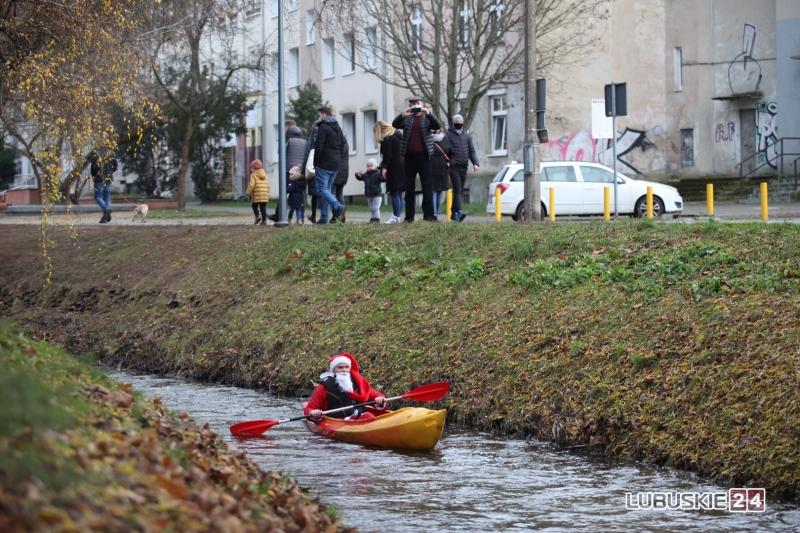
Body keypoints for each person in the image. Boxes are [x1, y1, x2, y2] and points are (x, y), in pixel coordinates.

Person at [391, 96, 441, 223]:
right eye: (412, 104)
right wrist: (402, 115)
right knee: (409, 189)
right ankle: (409, 217)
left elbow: (437, 126)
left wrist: (428, 114)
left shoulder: (426, 118)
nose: (415, 106)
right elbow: (394, 125)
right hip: (409, 157)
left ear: (422, 104)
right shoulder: (407, 119)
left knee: (427, 188)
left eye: (417, 103)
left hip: (424, 157)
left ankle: (429, 216)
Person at [304, 353, 387, 421]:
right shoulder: (323, 388)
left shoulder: (359, 383)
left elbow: (375, 395)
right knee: (368, 417)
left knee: (368, 416)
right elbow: (310, 408)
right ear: (333, 370)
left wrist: (379, 399)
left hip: (361, 416)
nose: (344, 370)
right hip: (337, 420)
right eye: (340, 367)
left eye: (347, 367)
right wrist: (314, 412)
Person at [267, 120, 308, 223]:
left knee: (283, 192)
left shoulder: (287, 137)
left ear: (287, 126)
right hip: (301, 170)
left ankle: (278, 215)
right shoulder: (304, 139)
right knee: (300, 193)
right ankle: (300, 218)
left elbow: (280, 152)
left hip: (288, 170)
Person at [313, 106, 347, 224]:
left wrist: (315, 163)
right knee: (327, 191)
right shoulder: (338, 127)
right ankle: (323, 218)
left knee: (322, 189)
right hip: (335, 164)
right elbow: (342, 146)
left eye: (320, 115)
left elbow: (319, 146)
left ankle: (338, 206)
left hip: (324, 163)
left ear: (324, 115)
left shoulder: (323, 127)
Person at [445, 114, 480, 222]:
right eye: (457, 121)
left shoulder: (466, 136)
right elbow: (445, 149)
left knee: (459, 190)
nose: (459, 123)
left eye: (461, 121)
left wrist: (475, 163)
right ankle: (459, 211)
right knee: (457, 189)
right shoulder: (448, 134)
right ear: (453, 122)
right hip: (453, 166)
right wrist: (448, 162)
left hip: (464, 166)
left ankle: (453, 213)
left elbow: (471, 150)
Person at [374, 121, 404, 224]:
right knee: (399, 192)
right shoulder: (397, 135)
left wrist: (384, 167)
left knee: (394, 192)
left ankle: (395, 216)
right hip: (402, 164)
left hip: (394, 166)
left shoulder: (387, 138)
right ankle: (397, 216)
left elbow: (387, 155)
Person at [90, 150, 118, 224]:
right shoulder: (112, 154)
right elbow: (115, 167)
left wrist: (94, 176)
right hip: (108, 179)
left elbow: (93, 168)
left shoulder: (96, 155)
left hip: (99, 179)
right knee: (107, 198)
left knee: (98, 197)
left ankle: (106, 209)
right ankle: (105, 218)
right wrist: (110, 172)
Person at [431, 129, 453, 219]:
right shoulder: (427, 138)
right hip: (431, 168)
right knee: (433, 192)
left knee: (439, 193)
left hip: (442, 169)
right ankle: (433, 214)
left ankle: (436, 212)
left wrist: (450, 163)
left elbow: (452, 154)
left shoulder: (445, 139)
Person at [303, 121, 322, 223]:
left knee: (315, 194)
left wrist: (303, 172)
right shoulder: (326, 137)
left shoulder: (311, 139)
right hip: (324, 167)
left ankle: (314, 215)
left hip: (313, 169)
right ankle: (324, 215)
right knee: (324, 192)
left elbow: (306, 156)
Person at [355, 158, 384, 223]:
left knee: (376, 208)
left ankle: (377, 219)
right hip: (369, 194)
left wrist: (384, 176)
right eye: (368, 166)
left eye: (371, 166)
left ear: (375, 166)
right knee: (371, 208)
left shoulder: (378, 174)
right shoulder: (366, 175)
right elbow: (360, 177)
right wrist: (357, 175)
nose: (369, 167)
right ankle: (373, 218)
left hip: (377, 194)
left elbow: (382, 179)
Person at [331, 132, 349, 223]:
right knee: (340, 194)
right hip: (344, 171)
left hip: (336, 170)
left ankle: (336, 214)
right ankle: (342, 217)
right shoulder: (346, 144)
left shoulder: (336, 145)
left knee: (332, 193)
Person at [246, 159, 269, 225]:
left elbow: (252, 185)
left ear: (254, 168)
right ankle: (264, 220)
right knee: (263, 208)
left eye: (251, 168)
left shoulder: (253, 175)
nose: (251, 169)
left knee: (254, 206)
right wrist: (267, 193)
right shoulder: (264, 174)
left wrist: (247, 192)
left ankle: (257, 216)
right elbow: (268, 184)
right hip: (264, 194)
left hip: (257, 194)